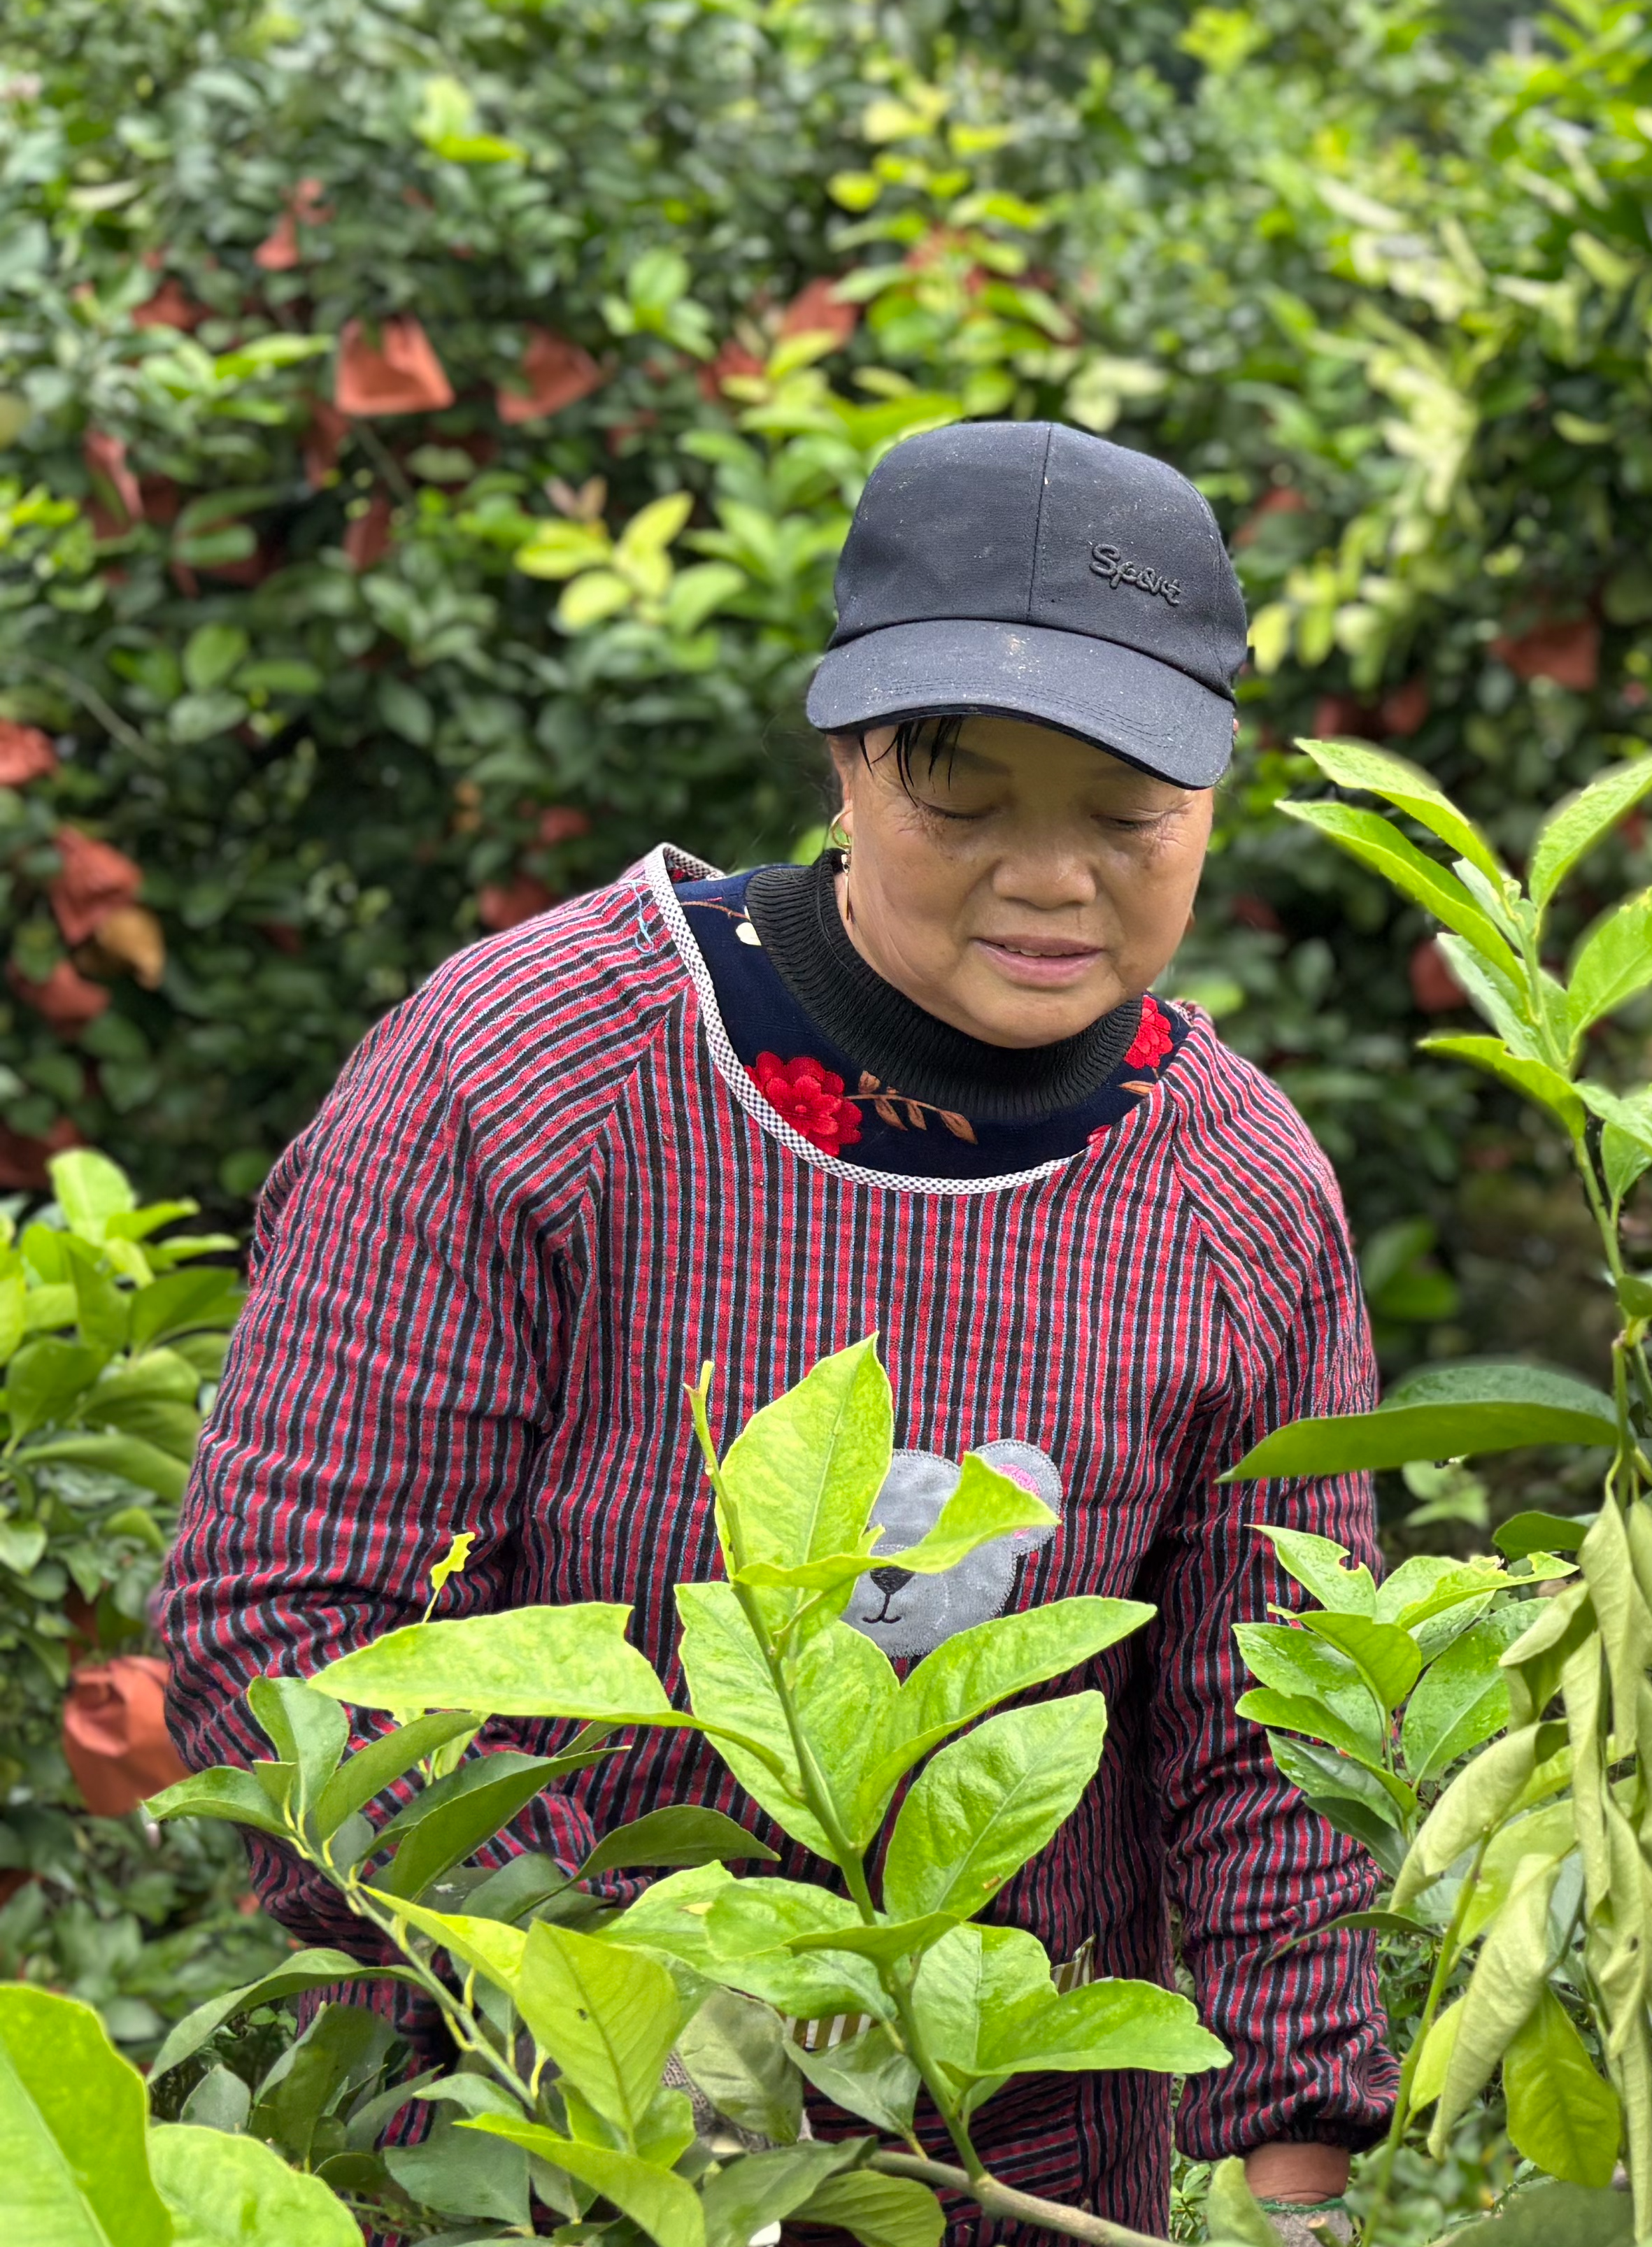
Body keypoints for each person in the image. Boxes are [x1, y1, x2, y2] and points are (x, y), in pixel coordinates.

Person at [159, 422, 1378, 2241]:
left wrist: (1303, 2181)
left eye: (1126, 813)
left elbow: (1276, 1739)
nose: (1052, 877)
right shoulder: (534, 1074)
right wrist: (629, 2020)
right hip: (533, 2165)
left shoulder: (1232, 1192)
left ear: (1211, 802)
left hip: (1014, 2187)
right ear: (847, 755)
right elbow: (288, 1619)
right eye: (964, 796)